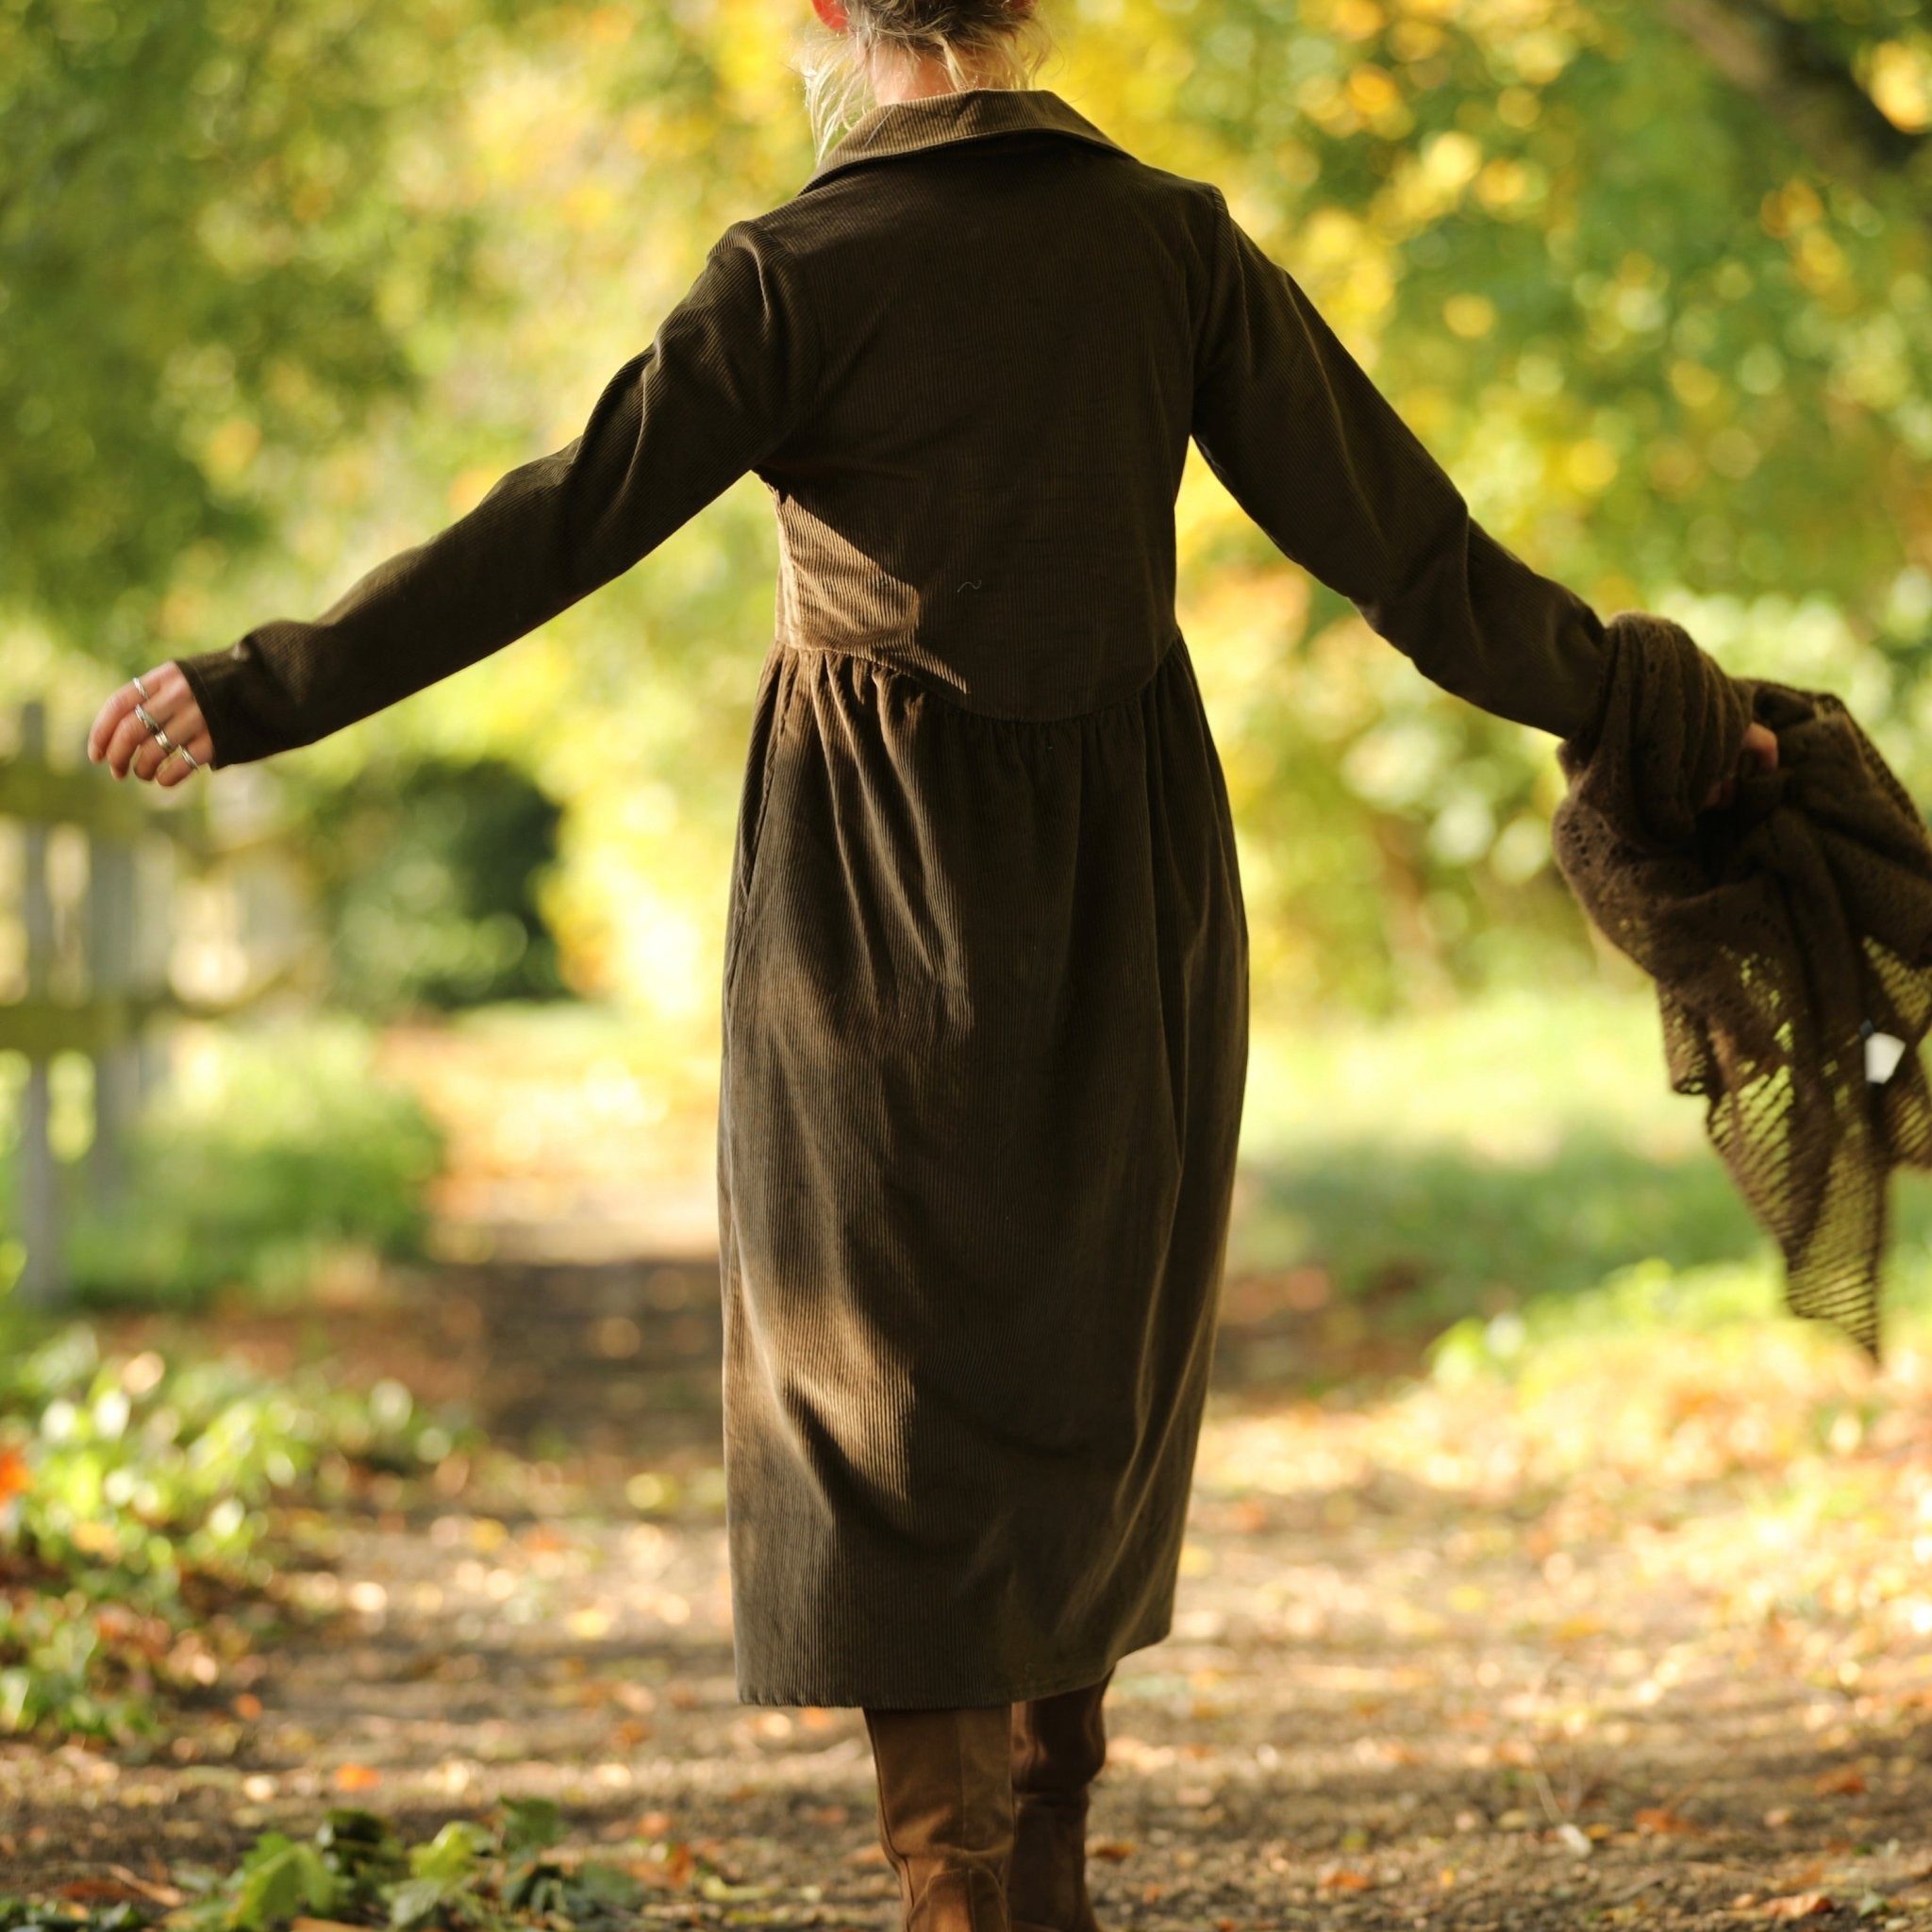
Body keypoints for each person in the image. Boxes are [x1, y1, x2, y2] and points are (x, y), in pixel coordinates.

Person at [88, 3, 1776, 1925]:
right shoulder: (1170, 247)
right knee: (1083, 1339)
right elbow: (1416, 557)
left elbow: (554, 527)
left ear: (826, 9)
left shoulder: (797, 272)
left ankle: (958, 1883)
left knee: (882, 1368)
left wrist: (261, 688)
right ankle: (1042, 1831)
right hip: (1128, 874)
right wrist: (1653, 713)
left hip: (867, 887)